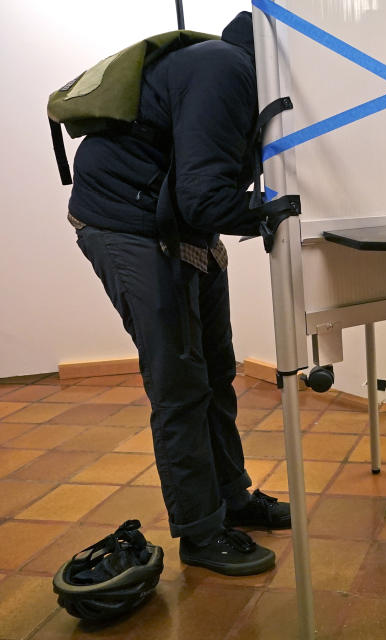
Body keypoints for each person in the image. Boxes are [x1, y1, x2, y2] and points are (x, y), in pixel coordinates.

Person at [68, 11, 290, 576]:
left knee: (216, 367)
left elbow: (200, 194)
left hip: (175, 223)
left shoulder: (243, 73)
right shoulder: (225, 69)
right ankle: (200, 531)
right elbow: (202, 198)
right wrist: (276, 212)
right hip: (127, 224)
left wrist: (262, 209)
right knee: (179, 381)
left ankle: (233, 499)